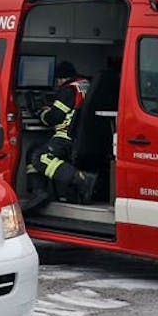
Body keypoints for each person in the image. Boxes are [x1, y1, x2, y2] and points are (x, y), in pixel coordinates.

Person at [23, 61, 98, 212]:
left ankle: (82, 179)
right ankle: (39, 193)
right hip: (83, 138)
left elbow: (54, 117)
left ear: (61, 79)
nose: (57, 85)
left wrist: (41, 112)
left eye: (57, 81)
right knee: (33, 149)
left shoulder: (68, 90)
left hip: (66, 138)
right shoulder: (87, 85)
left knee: (40, 157)